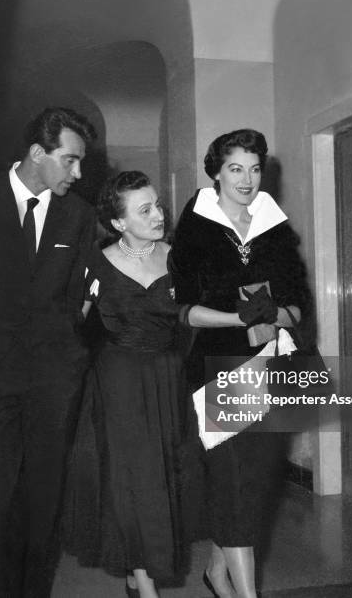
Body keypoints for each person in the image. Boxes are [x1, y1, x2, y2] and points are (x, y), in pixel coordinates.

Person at [63, 171, 264, 598]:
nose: (158, 214)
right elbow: (69, 323)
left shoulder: (179, 260)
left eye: (157, 205)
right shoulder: (93, 263)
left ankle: (143, 579)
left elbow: (216, 309)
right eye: (145, 209)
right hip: (116, 382)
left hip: (170, 379)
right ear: (118, 223)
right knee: (131, 481)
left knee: (170, 480)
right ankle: (145, 586)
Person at [0, 107, 97, 597]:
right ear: (37, 153)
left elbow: (77, 296)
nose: (77, 174)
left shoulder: (77, 214)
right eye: (70, 160)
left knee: (43, 500)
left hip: (52, 382)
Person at [168, 129, 312, 598]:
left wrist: (274, 317)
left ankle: (216, 571)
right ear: (216, 172)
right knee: (233, 483)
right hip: (221, 369)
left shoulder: (273, 224)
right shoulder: (196, 228)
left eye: (254, 168)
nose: (247, 179)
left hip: (272, 368)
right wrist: (241, 318)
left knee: (255, 484)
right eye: (236, 168)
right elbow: (186, 309)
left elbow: (298, 303)